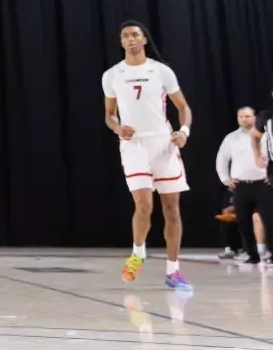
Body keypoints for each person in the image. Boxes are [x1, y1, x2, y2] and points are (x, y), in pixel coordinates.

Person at [104, 21, 194, 290]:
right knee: (144, 205)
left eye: (134, 35)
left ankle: (173, 270)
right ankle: (138, 251)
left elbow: (183, 107)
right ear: (121, 42)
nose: (130, 39)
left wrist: (184, 131)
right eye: (125, 36)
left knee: (171, 209)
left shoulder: (161, 71)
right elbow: (109, 115)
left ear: (144, 40)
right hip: (133, 145)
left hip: (163, 143)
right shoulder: (112, 75)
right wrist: (118, 127)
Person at [216, 104, 268, 266]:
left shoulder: (266, 136)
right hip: (241, 185)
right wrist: (225, 179)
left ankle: (269, 252)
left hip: (263, 183)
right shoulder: (231, 138)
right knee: (243, 221)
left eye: (247, 116)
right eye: (241, 116)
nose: (244, 119)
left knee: (268, 219)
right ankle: (251, 254)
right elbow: (222, 159)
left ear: (255, 117)